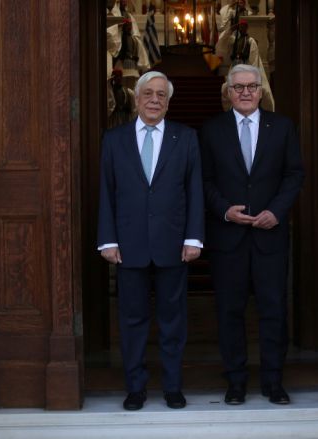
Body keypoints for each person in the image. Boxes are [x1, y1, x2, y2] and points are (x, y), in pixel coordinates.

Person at [98, 71, 205, 411]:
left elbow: (195, 191)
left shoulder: (185, 138)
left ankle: (173, 387)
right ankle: (136, 388)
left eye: (161, 94)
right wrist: (107, 240)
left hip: (173, 245)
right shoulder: (114, 140)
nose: (155, 100)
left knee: (174, 321)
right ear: (137, 98)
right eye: (149, 94)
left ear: (168, 102)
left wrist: (194, 238)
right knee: (132, 321)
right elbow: (106, 193)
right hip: (128, 247)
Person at [199, 64, 304, 406]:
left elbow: (294, 175)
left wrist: (277, 210)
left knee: (273, 310)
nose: (245, 92)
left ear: (261, 91)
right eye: (238, 87)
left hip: (269, 237)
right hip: (228, 238)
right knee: (230, 312)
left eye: (252, 87)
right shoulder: (212, 130)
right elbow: (204, 180)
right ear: (228, 92)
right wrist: (224, 209)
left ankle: (274, 382)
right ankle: (236, 383)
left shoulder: (283, 127)